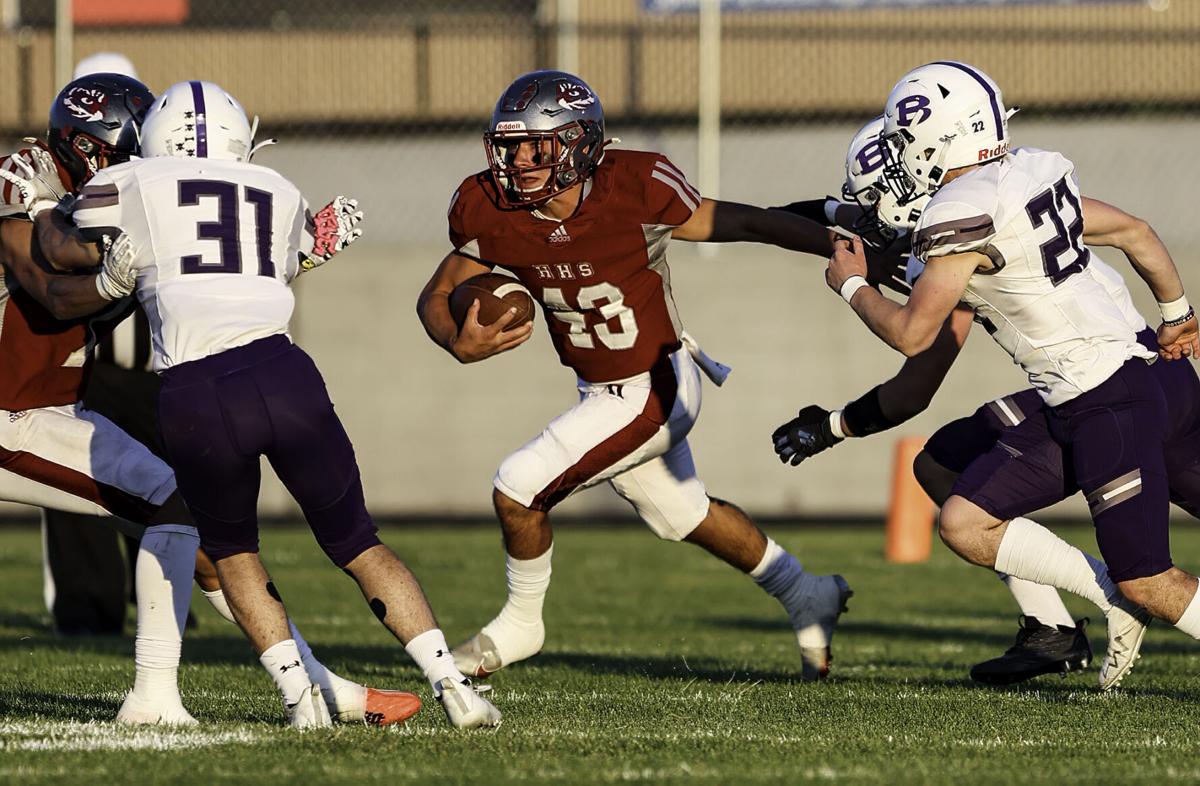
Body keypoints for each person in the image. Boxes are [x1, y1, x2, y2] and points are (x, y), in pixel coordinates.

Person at [16, 79, 501, 729]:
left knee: (215, 538)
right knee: (336, 538)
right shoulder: (269, 189)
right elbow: (55, 283)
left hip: (128, 397)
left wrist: (45, 209)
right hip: (253, 376)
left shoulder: (121, 188)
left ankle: (307, 694)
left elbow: (107, 256)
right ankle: (438, 686)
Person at [416, 69, 890, 683]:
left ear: (580, 143)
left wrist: (843, 248)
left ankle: (520, 624)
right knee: (678, 514)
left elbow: (746, 222)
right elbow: (439, 289)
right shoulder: (490, 206)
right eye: (510, 147)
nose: (519, 163)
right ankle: (807, 593)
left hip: (657, 384)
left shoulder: (634, 186)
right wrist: (453, 338)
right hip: (599, 389)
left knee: (518, 488)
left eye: (537, 146)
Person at [822, 60, 1200, 686]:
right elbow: (1136, 231)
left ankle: (1111, 597)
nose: (897, 156)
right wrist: (1179, 316)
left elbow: (915, 334)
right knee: (954, 492)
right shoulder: (1027, 173)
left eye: (901, 141)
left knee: (1145, 578)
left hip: (1103, 397)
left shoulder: (958, 215)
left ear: (936, 139)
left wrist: (853, 285)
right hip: (1154, 372)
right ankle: (1060, 624)